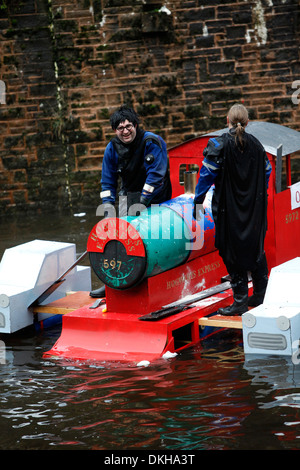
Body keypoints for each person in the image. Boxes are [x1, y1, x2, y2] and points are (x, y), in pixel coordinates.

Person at [193, 103, 272, 316]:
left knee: (230, 251)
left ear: (227, 120)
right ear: (247, 123)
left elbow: (205, 177)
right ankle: (260, 295)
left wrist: (198, 201)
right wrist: (256, 192)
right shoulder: (256, 145)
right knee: (256, 248)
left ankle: (240, 302)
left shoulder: (218, 145)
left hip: (228, 209)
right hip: (254, 208)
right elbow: (267, 171)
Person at [90, 105, 172, 298]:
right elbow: (107, 180)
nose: (125, 131)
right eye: (120, 128)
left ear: (135, 124)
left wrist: (143, 202)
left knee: (153, 240)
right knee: (118, 241)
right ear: (115, 130)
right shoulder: (112, 148)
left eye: (128, 126)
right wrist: (109, 208)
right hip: (128, 196)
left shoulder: (152, 141)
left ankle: (154, 278)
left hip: (156, 198)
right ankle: (113, 282)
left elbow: (156, 175)